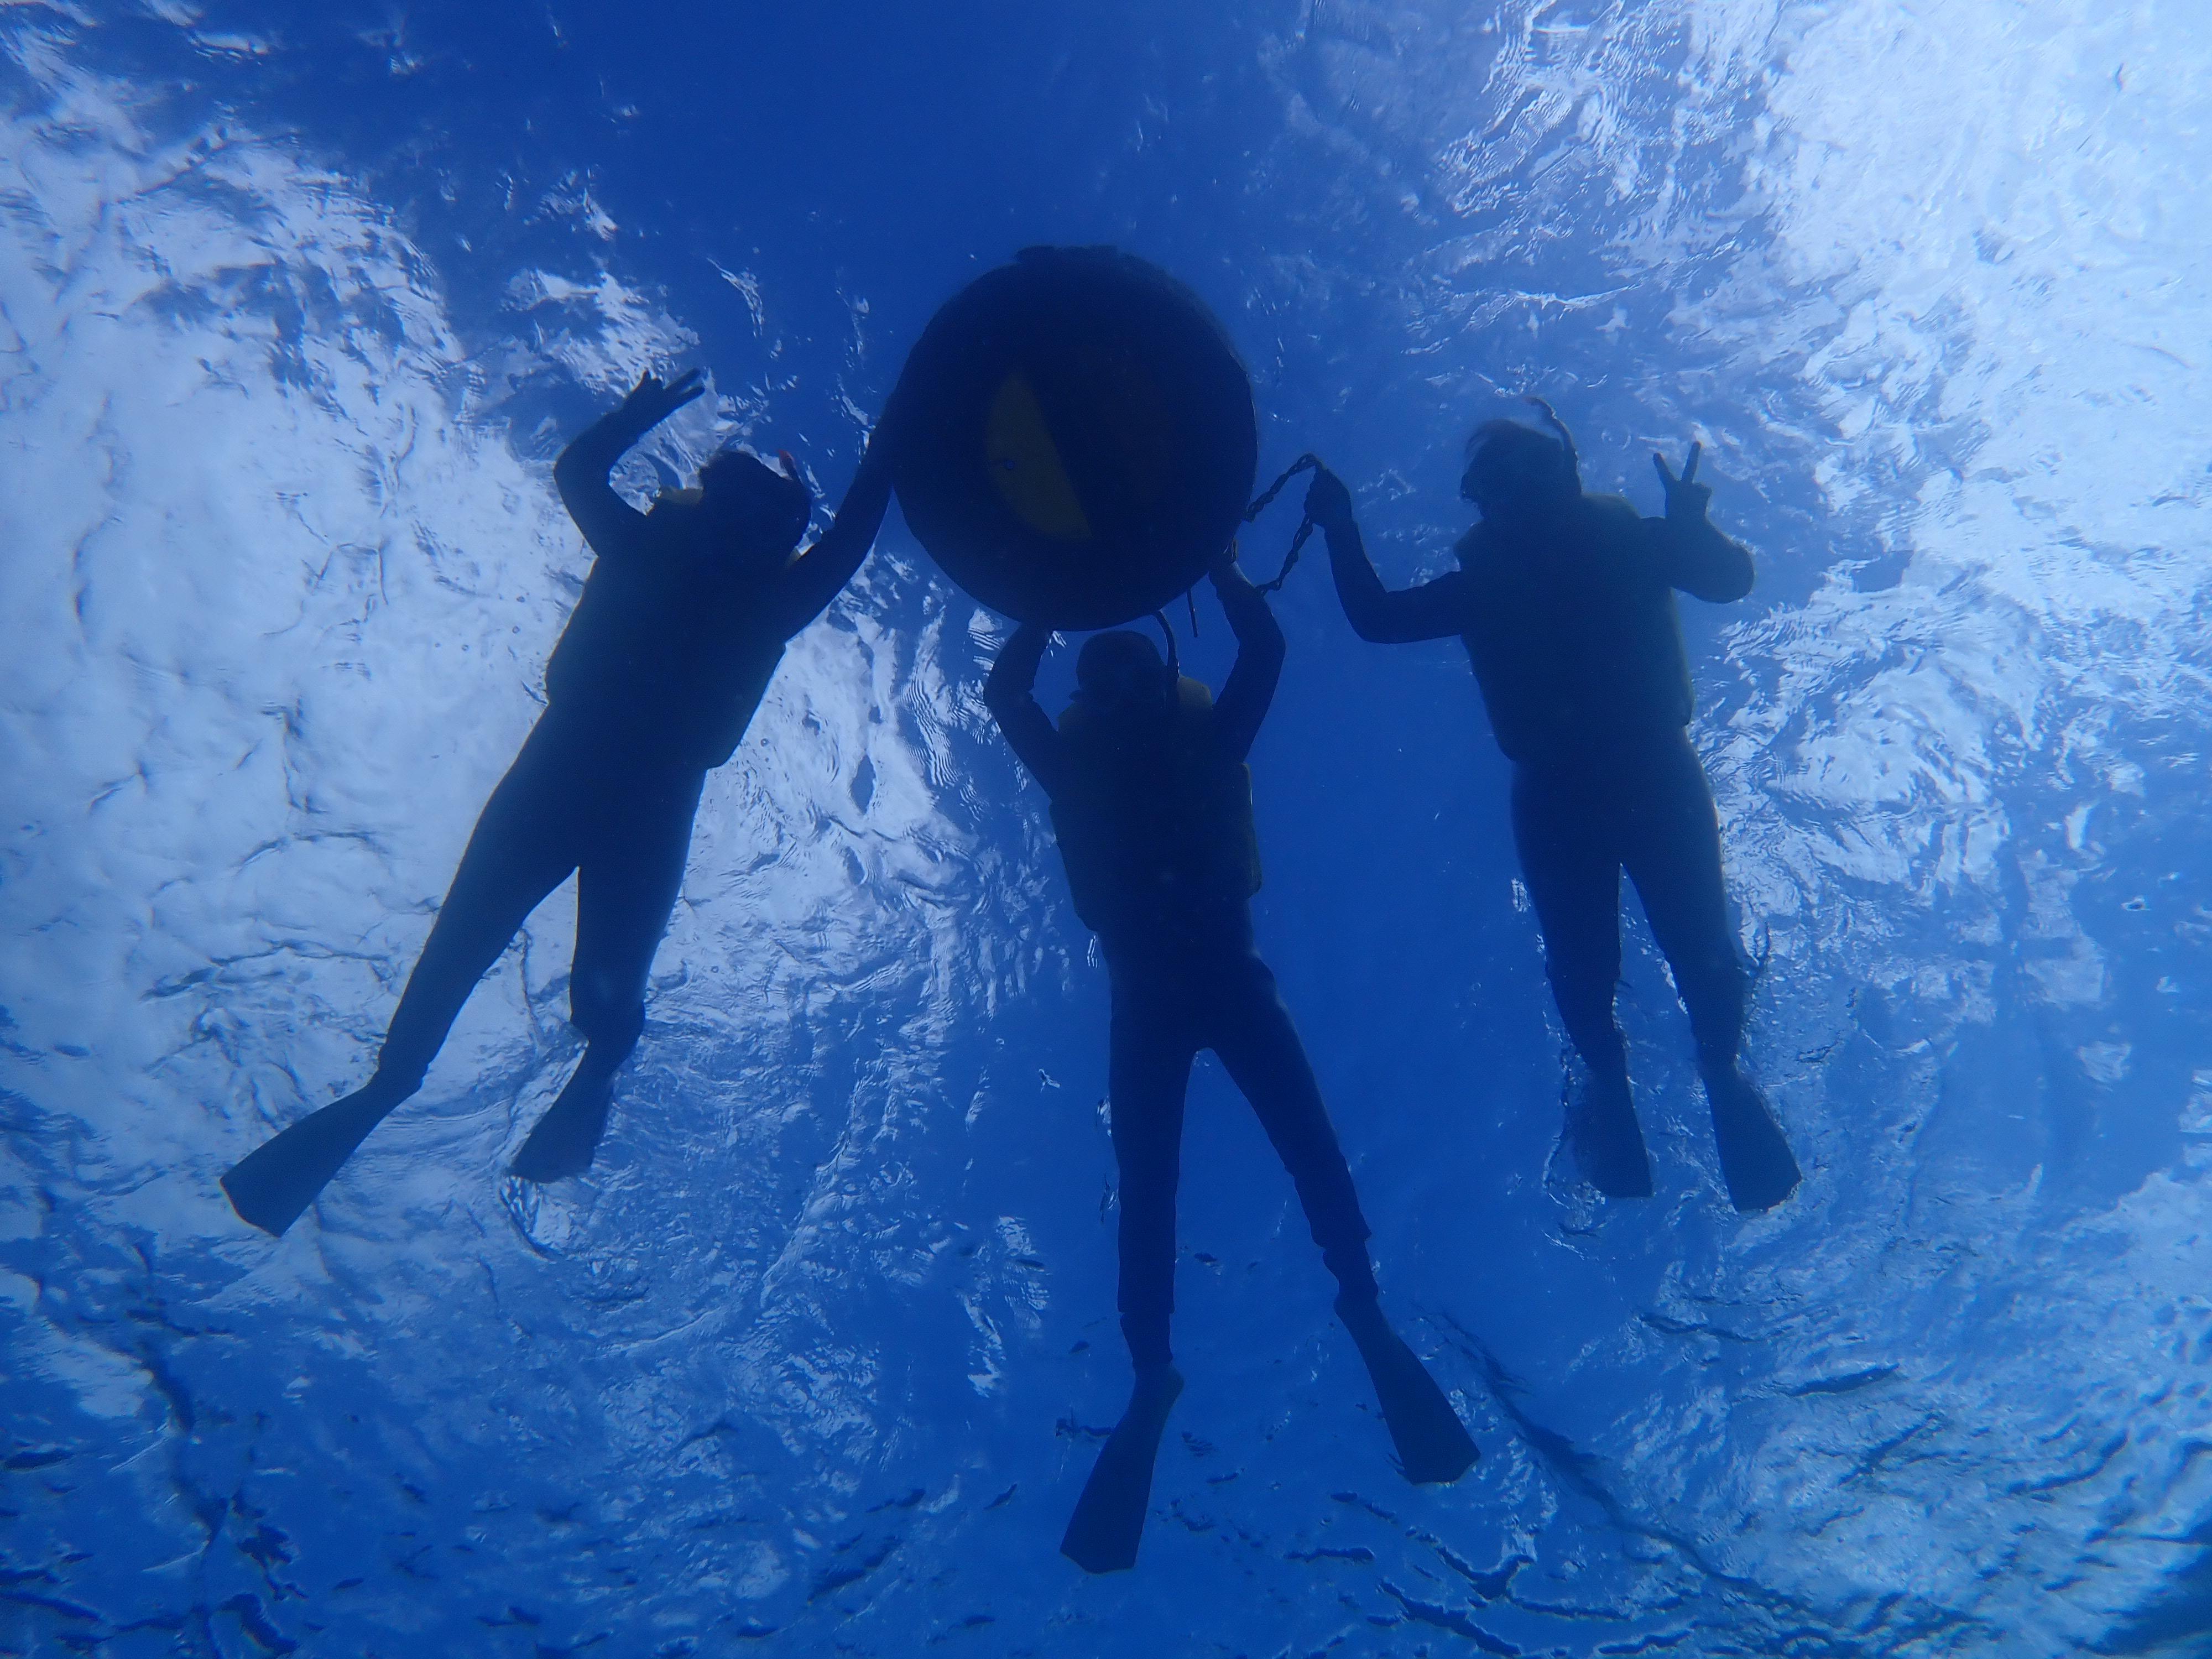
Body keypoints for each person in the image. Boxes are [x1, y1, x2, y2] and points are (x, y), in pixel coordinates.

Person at [221, 369, 901, 1237]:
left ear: (778, 543)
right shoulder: (678, 560)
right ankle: (401, 1086)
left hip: (619, 795)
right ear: (703, 505)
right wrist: (635, 419)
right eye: (729, 505)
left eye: (763, 522)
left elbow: (842, 529)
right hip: (593, 786)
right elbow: (586, 476)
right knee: (462, 953)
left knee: (594, 996)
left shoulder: (752, 591)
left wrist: (897, 425)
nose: (736, 532)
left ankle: (596, 1063)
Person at [984, 552, 1477, 1575]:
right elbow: (1006, 693)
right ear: (1087, 700)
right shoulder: (1074, 763)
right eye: (1101, 681)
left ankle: (1362, 1302)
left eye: (1134, 676)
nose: (1119, 692)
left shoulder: (1212, 738)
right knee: (1150, 1191)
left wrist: (1212, 563)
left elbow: (1264, 648)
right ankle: (1151, 1370)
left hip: (1222, 984)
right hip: (1152, 1004)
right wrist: (1047, 599)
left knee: (1314, 1151)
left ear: (1165, 683)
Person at [1307, 404, 1801, 1213]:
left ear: (1567, 474)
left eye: (1523, 473)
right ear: (1483, 504)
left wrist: (1689, 528)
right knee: (1590, 964)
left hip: (1627, 778)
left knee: (1696, 947)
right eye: (1491, 486)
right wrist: (1337, 527)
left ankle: (1713, 1068)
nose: (1511, 495)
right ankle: (1619, 1077)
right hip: (1579, 788)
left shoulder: (1637, 542)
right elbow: (1376, 620)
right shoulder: (1515, 576)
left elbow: (1729, 579)